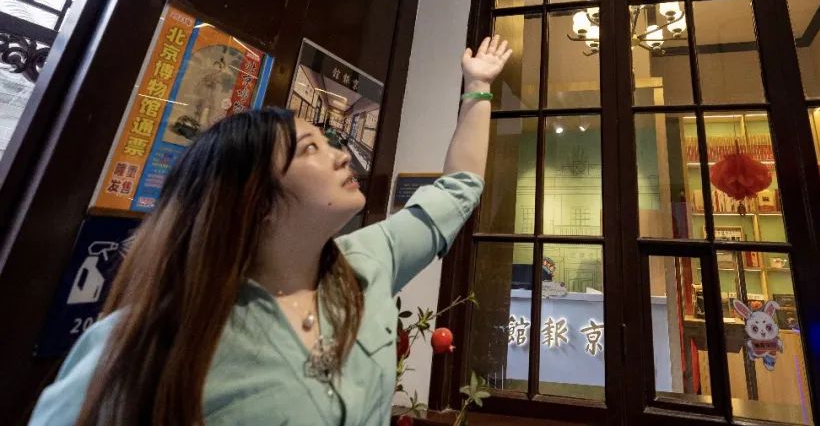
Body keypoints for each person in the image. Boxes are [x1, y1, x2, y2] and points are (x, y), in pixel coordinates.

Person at [29, 35, 512, 426]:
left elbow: (458, 189)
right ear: (256, 201)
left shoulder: (370, 261)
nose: (341, 155)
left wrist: (477, 87)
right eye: (310, 149)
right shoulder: (148, 343)